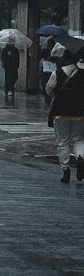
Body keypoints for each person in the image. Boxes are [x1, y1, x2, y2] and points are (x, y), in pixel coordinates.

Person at [47, 51, 84, 183]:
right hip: (79, 111)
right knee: (79, 139)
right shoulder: (82, 73)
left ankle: (65, 169)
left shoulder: (58, 72)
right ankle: (80, 157)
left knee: (62, 142)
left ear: (64, 59)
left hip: (60, 111)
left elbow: (49, 88)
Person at [0, 41, 20, 105]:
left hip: (14, 67)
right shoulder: (5, 49)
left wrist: (17, 65)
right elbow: (3, 58)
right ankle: (7, 90)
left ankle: (12, 89)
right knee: (8, 78)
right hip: (8, 67)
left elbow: (17, 58)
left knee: (14, 78)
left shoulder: (16, 50)